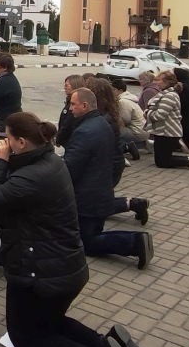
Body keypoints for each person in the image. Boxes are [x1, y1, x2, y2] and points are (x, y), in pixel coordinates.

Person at [0, 113, 159, 347]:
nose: (4, 142)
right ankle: (104, 344)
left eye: (8, 138)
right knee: (49, 322)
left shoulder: (32, 175)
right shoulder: (49, 161)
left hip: (40, 272)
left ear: (22, 142)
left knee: (26, 338)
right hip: (64, 266)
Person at [63, 88, 153, 269]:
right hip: (99, 190)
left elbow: (70, 167)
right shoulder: (101, 123)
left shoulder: (85, 131)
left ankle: (135, 242)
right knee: (90, 234)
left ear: (85, 105)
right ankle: (135, 241)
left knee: (88, 242)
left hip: (87, 197)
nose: (70, 108)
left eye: (73, 104)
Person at [144, 71, 189, 171]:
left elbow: (160, 115)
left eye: (158, 80)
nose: (156, 82)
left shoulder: (170, 96)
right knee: (161, 160)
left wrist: (147, 112)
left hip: (167, 132)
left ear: (166, 83)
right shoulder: (166, 94)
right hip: (162, 131)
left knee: (163, 162)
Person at [112, 79, 148, 158]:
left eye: (114, 90)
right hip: (142, 130)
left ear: (120, 90)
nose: (112, 92)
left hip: (136, 131)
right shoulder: (129, 98)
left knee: (112, 131)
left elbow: (125, 120)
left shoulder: (123, 101)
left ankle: (126, 148)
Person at [56, 74, 87, 148]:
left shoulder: (75, 104)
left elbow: (68, 124)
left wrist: (59, 139)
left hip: (71, 142)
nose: (64, 87)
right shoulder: (69, 101)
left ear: (74, 85)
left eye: (67, 85)